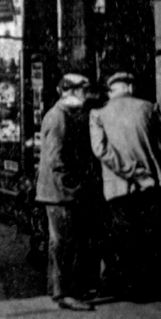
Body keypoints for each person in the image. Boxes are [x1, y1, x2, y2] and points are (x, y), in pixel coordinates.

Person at [89, 71, 161, 301]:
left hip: (117, 187)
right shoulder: (150, 108)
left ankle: (128, 288)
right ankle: (147, 287)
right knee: (148, 236)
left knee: (123, 237)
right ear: (130, 86)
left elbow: (100, 150)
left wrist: (130, 172)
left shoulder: (98, 114)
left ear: (113, 89)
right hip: (150, 183)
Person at [36, 73, 100, 312]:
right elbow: (56, 159)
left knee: (65, 242)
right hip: (60, 192)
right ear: (72, 92)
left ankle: (62, 289)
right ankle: (64, 293)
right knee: (63, 243)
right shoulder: (58, 117)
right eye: (84, 90)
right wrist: (76, 185)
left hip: (60, 190)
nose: (87, 95)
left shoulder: (64, 114)